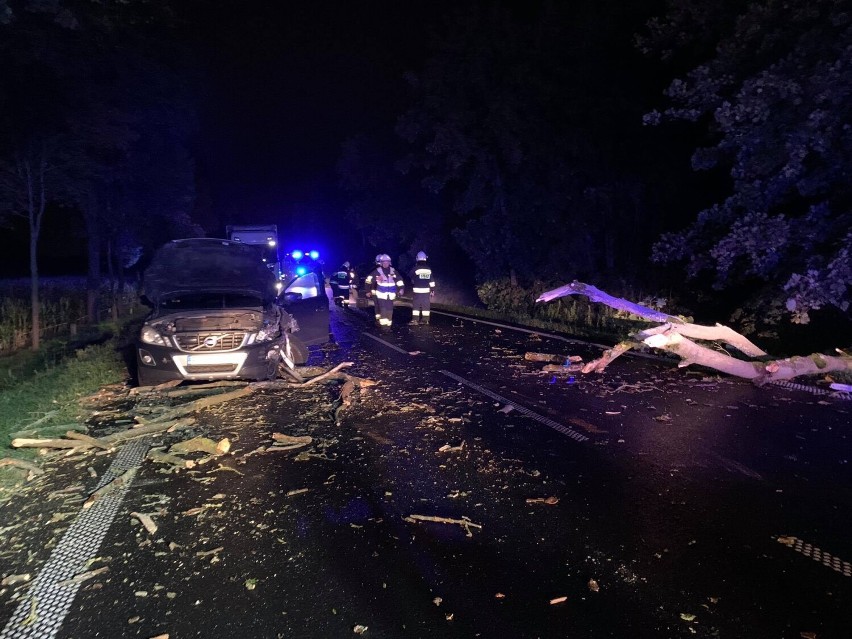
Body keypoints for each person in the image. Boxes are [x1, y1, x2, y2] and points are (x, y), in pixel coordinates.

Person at [364, 253, 404, 327]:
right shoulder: (377, 271)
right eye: (384, 262)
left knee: (390, 309)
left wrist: (401, 289)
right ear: (381, 263)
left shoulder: (393, 271)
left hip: (391, 294)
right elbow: (368, 281)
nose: (385, 263)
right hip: (381, 294)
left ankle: (388, 324)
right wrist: (367, 291)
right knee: (383, 308)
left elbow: (399, 280)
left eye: (387, 261)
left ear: (389, 262)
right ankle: (383, 326)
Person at [409, 251, 435, 325]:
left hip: (417, 291)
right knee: (426, 305)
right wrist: (432, 290)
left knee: (416, 305)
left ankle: (415, 320)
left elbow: (409, 276)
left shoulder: (415, 268)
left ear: (417, 258)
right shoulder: (428, 269)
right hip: (426, 291)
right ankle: (425, 320)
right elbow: (432, 281)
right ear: (425, 259)